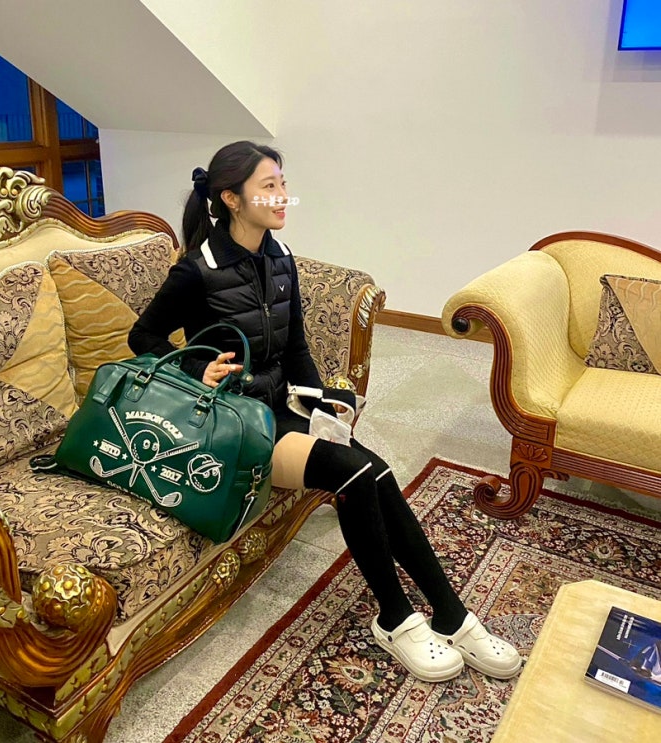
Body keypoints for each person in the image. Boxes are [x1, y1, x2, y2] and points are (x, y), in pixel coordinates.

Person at [128, 140, 521, 682]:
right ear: (232, 199)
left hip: (277, 407)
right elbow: (143, 337)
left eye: (283, 184)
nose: (282, 196)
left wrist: (322, 406)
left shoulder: (280, 259)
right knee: (355, 475)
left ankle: (452, 615)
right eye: (268, 187)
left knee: (376, 471)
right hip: (229, 423)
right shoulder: (197, 270)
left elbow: (295, 349)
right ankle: (395, 618)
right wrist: (197, 369)